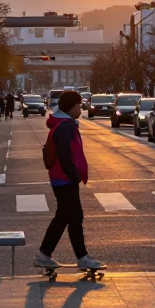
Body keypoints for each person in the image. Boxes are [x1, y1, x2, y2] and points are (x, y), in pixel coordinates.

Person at [34, 89, 103, 272]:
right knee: (68, 217)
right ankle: (48, 254)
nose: (81, 109)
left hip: (62, 178)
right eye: (79, 105)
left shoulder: (65, 124)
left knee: (71, 217)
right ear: (71, 107)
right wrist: (74, 175)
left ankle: (77, 256)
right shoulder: (65, 127)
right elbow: (65, 155)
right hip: (64, 179)